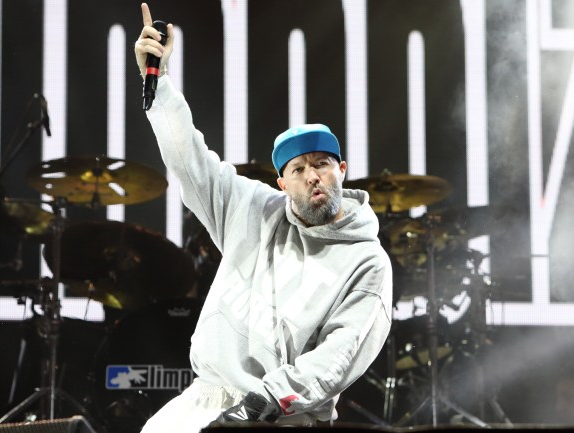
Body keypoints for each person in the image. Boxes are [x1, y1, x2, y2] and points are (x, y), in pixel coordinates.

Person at [134, 3, 393, 432]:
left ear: (342, 171)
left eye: (323, 163)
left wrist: (260, 406)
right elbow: (190, 160)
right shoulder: (253, 210)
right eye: (299, 169)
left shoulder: (367, 262)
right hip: (207, 396)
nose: (313, 176)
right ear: (281, 182)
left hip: (285, 414)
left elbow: (338, 357)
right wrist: (157, 82)